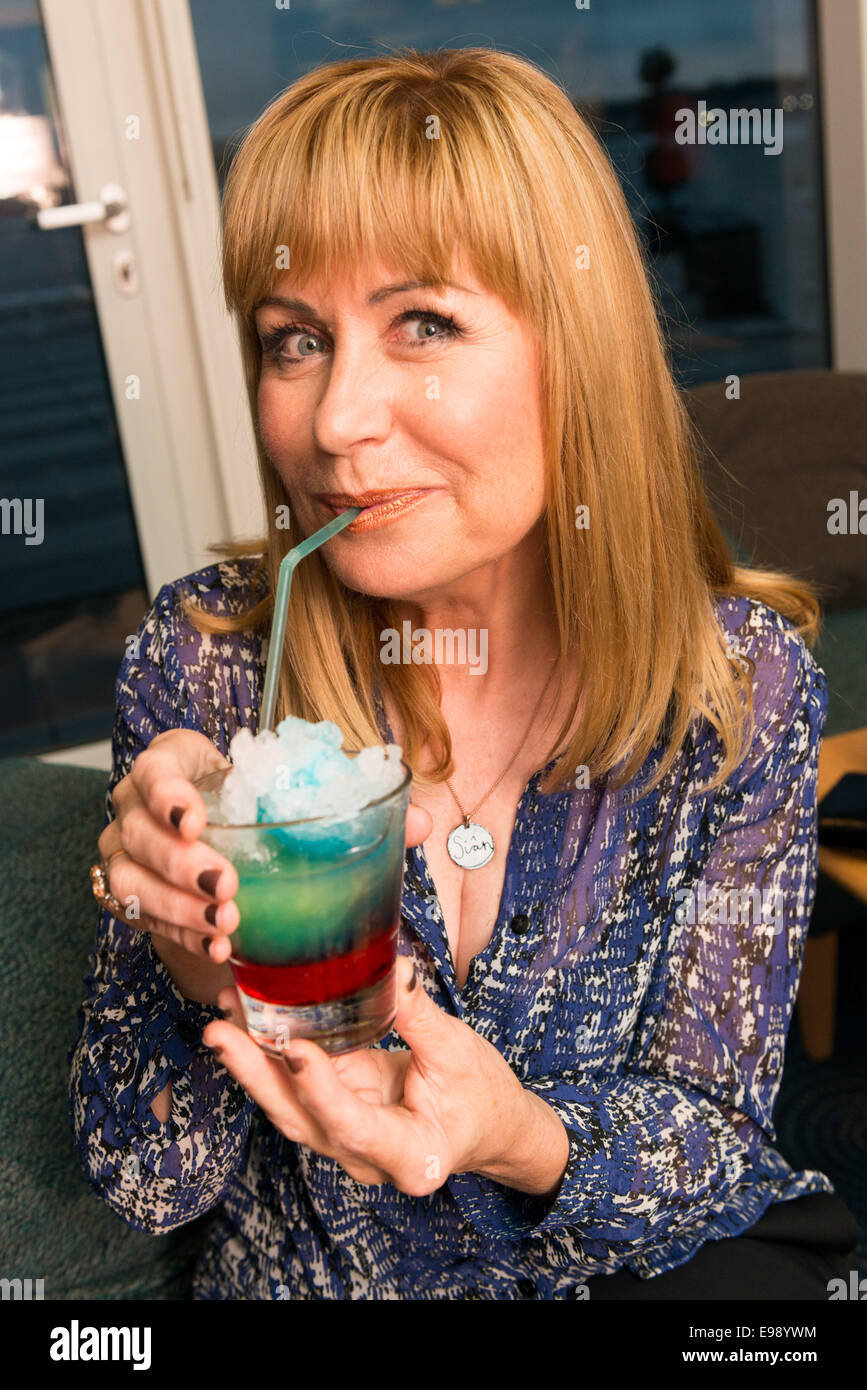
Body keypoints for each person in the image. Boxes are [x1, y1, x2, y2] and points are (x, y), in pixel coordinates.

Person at [71, 47, 859, 1300]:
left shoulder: (738, 692)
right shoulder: (208, 664)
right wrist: (193, 959)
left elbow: (719, 1149)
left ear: (578, 351)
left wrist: (513, 1133)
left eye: (423, 323)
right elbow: (141, 1180)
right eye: (295, 341)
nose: (333, 422)